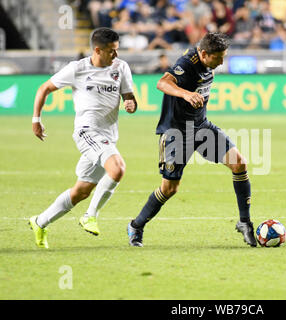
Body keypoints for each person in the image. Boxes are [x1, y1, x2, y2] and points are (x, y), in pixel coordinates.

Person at [127, 32, 257, 247]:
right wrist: (185, 94)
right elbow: (162, 83)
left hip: (201, 127)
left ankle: (244, 222)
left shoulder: (206, 57)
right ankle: (136, 226)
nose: (222, 62)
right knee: (169, 189)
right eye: (219, 57)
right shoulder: (187, 64)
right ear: (204, 54)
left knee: (239, 163)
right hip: (175, 132)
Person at [29, 28, 137, 248]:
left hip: (108, 136)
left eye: (117, 50)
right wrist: (36, 119)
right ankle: (90, 215)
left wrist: (131, 104)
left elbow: (129, 97)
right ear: (97, 49)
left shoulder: (121, 67)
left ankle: (40, 222)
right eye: (111, 51)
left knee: (81, 191)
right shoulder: (77, 69)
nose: (115, 55)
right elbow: (44, 89)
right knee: (117, 168)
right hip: (86, 132)